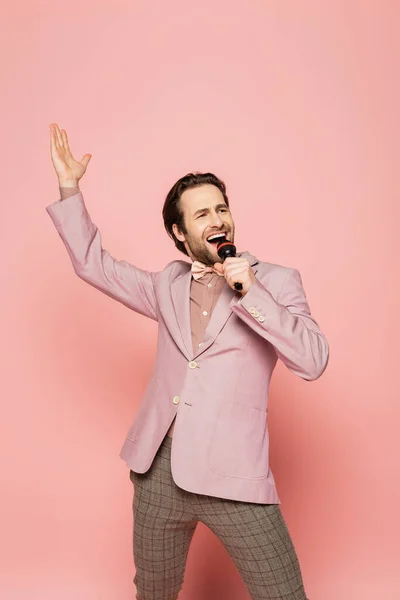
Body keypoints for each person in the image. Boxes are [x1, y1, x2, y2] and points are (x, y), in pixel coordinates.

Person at [47, 122, 329, 600]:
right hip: (158, 470)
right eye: (201, 214)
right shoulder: (167, 285)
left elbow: (312, 359)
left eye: (221, 207)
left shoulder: (276, 282)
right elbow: (92, 264)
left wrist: (251, 291)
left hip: (235, 475)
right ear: (180, 231)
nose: (217, 218)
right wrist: (69, 187)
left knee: (283, 594)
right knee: (153, 593)